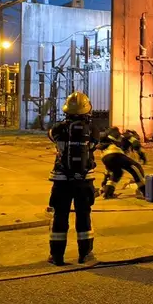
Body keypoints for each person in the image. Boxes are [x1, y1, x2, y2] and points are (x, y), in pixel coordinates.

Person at [47, 91, 100, 266]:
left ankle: (57, 256)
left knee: (60, 216)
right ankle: (85, 254)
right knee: (83, 215)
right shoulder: (93, 130)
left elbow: (50, 136)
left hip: (61, 179)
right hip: (84, 180)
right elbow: (94, 145)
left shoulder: (58, 129)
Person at [98, 127, 147, 199]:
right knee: (136, 167)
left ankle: (108, 193)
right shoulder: (127, 136)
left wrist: (104, 183)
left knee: (117, 172)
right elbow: (136, 144)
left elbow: (108, 170)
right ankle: (145, 191)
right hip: (116, 154)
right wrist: (142, 155)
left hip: (104, 157)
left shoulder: (109, 142)